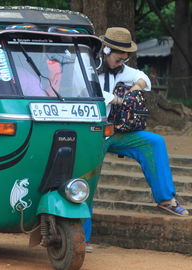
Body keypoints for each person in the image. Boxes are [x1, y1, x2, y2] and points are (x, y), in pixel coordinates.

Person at [84, 27, 189, 253]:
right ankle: (81, 238)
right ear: (106, 49)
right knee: (88, 178)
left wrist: (137, 86)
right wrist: (116, 98)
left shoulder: (123, 70)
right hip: (90, 132)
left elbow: (141, 77)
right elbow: (81, 91)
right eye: (119, 55)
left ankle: (165, 199)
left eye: (126, 57)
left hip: (117, 130)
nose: (123, 60)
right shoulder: (85, 66)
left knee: (153, 142)